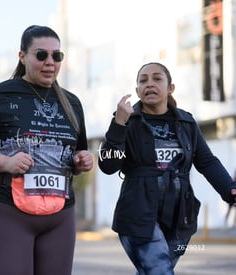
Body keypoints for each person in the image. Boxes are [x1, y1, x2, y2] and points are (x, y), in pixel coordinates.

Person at [0, 25, 93, 275]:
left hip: (59, 216)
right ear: (22, 56)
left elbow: (74, 157)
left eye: (56, 56)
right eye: (41, 55)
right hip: (6, 211)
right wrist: (5, 163)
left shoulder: (71, 103)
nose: (50, 62)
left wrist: (81, 161)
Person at [98, 62, 236, 274]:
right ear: (137, 91)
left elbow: (207, 162)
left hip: (180, 218)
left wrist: (230, 190)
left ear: (170, 88)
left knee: (153, 270)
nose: (149, 84)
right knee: (159, 270)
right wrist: (118, 125)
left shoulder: (186, 123)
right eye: (143, 81)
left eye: (157, 79)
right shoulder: (127, 121)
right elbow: (108, 165)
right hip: (138, 215)